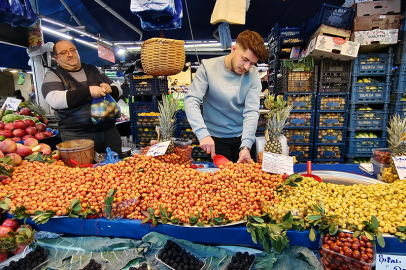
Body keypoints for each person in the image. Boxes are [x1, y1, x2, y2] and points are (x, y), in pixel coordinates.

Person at [185, 30, 267, 163]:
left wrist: (246, 145)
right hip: (215, 138)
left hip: (242, 137)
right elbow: (191, 100)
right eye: (245, 59)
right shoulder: (207, 67)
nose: (246, 67)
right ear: (234, 49)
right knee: (222, 181)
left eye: (252, 63)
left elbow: (251, 111)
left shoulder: (253, 74)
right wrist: (202, 134)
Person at [41, 39, 123, 158]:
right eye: (63, 52)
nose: (70, 54)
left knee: (118, 169)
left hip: (109, 132)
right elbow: (54, 99)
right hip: (77, 135)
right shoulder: (53, 74)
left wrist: (110, 89)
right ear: (56, 58)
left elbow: (117, 88)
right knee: (83, 173)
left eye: (72, 50)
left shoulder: (93, 69)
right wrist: (88, 91)